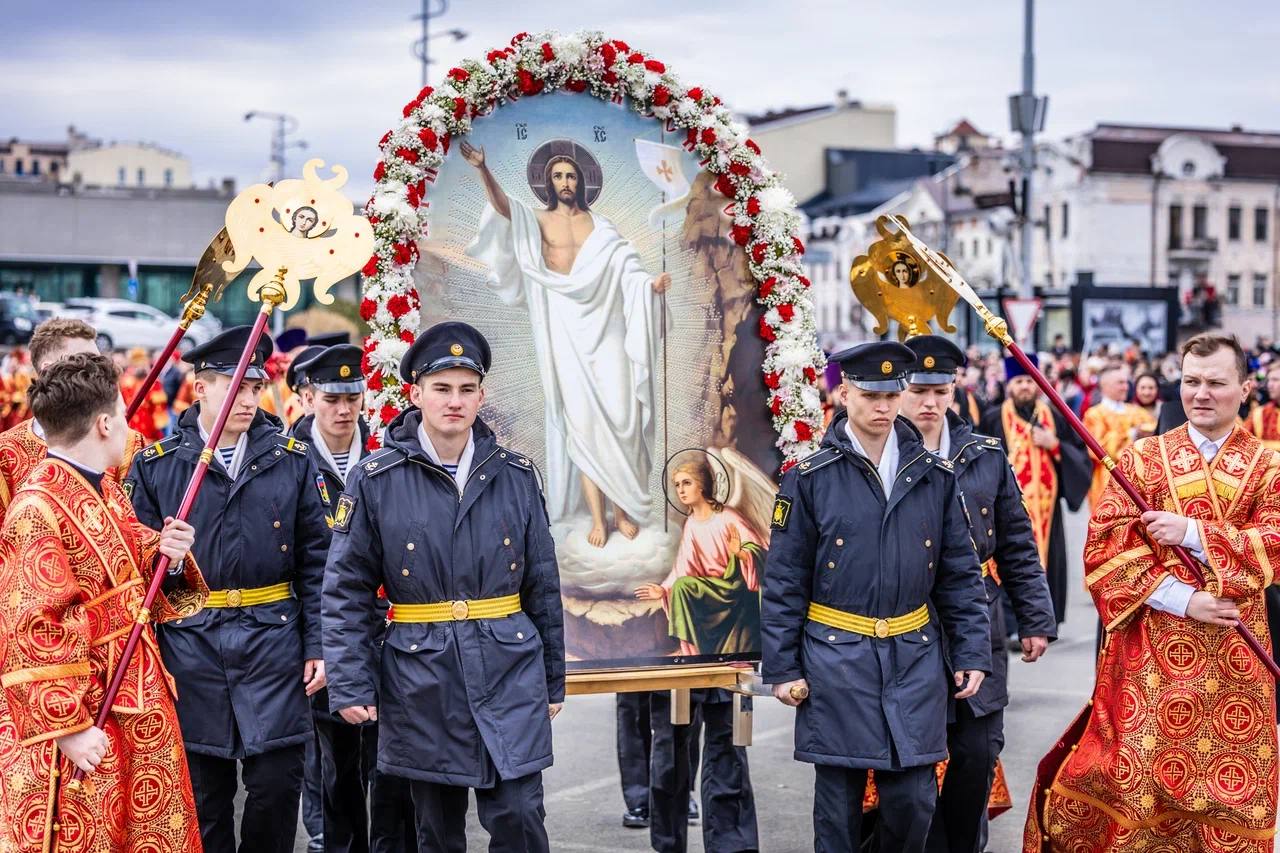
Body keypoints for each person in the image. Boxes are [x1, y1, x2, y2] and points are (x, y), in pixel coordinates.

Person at [1025, 333, 1280, 850]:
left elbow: (1275, 542)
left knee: (1233, 804)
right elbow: (1105, 548)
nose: (1201, 393)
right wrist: (1185, 599)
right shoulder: (1142, 458)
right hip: (1150, 660)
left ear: (1246, 388)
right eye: (1191, 382)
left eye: (1216, 382)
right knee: (1139, 795)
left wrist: (1192, 534)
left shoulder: (1271, 465)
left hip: (1238, 661)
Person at [323, 321, 565, 853]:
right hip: (421, 674)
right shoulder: (375, 477)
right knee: (436, 831)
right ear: (416, 394)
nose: (454, 401)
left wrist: (552, 678)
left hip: (509, 666)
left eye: (466, 389)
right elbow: (345, 588)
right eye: (441, 388)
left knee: (522, 818)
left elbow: (542, 585)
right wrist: (351, 682)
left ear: (481, 395)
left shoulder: (516, 475)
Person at [762, 341, 991, 853]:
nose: (883, 406)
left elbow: (959, 576)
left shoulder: (933, 476)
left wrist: (973, 650)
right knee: (838, 808)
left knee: (913, 803)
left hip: (913, 656)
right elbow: (783, 580)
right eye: (869, 395)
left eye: (892, 394)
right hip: (835, 657)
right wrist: (782, 668)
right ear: (844, 393)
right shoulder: (809, 478)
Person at [127, 326, 330, 853]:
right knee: (204, 801)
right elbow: (133, 575)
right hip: (193, 649)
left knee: (274, 792)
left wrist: (318, 646)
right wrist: (162, 557)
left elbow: (317, 563)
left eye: (253, 385)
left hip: (274, 644)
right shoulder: (157, 467)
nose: (246, 398)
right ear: (201, 388)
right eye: (233, 385)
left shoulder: (292, 459)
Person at [0, 353, 209, 853]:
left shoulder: (104, 489)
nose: (130, 426)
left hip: (134, 692)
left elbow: (123, 561)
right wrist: (67, 728)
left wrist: (168, 555)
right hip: (87, 711)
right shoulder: (36, 508)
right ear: (103, 423)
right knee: (92, 831)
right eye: (122, 412)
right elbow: (30, 627)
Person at [461, 140, 670, 547]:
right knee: (584, 423)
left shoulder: (603, 227)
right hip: (565, 329)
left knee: (620, 415)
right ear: (548, 182)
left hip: (605, 327)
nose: (565, 182)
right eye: (557, 175)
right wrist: (483, 169)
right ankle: (599, 518)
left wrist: (649, 285)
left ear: (583, 181)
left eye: (571, 175)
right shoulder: (537, 221)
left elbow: (628, 268)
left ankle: (621, 510)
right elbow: (505, 209)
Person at [899, 336, 1057, 853]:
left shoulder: (984, 456)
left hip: (980, 621)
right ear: (899, 390)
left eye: (940, 390)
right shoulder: (881, 454)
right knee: (910, 764)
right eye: (918, 389)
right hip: (906, 624)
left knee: (978, 749)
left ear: (955, 391)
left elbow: (1016, 541)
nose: (929, 402)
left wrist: (1034, 618)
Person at [979, 356, 1090, 626]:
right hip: (1005, 509)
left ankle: (1041, 622)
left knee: (1044, 562)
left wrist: (1055, 445)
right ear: (1009, 386)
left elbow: (1080, 457)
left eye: (1029, 381)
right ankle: (1011, 623)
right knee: (1006, 561)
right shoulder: (994, 418)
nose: (1025, 387)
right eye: (1019, 382)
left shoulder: (1054, 415)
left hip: (1046, 511)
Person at [0, 318, 145, 512]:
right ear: (48, 370)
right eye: (83, 362)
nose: (99, 371)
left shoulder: (127, 442)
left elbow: (133, 522)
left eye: (98, 361)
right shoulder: (6, 451)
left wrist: (163, 540)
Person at [634, 455, 765, 656]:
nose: (681, 490)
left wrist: (740, 552)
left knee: (683, 586)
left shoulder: (727, 516)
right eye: (677, 485)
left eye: (687, 483)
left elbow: (760, 550)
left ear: (702, 485)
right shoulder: (692, 524)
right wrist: (663, 589)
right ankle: (695, 653)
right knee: (680, 586)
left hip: (735, 589)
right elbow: (683, 567)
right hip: (712, 592)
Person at [1080, 364, 1156, 511]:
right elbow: (1098, 450)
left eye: (1126, 382)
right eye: (1120, 383)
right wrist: (1132, 434)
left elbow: (1155, 433)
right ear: (1105, 386)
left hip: (1139, 481)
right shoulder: (1094, 415)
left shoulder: (1136, 411)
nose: (1126, 387)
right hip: (1107, 481)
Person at [1243, 360, 1280, 451]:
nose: (1269, 385)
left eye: (1275, 380)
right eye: (1269, 380)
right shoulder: (1260, 413)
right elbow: (1243, 443)